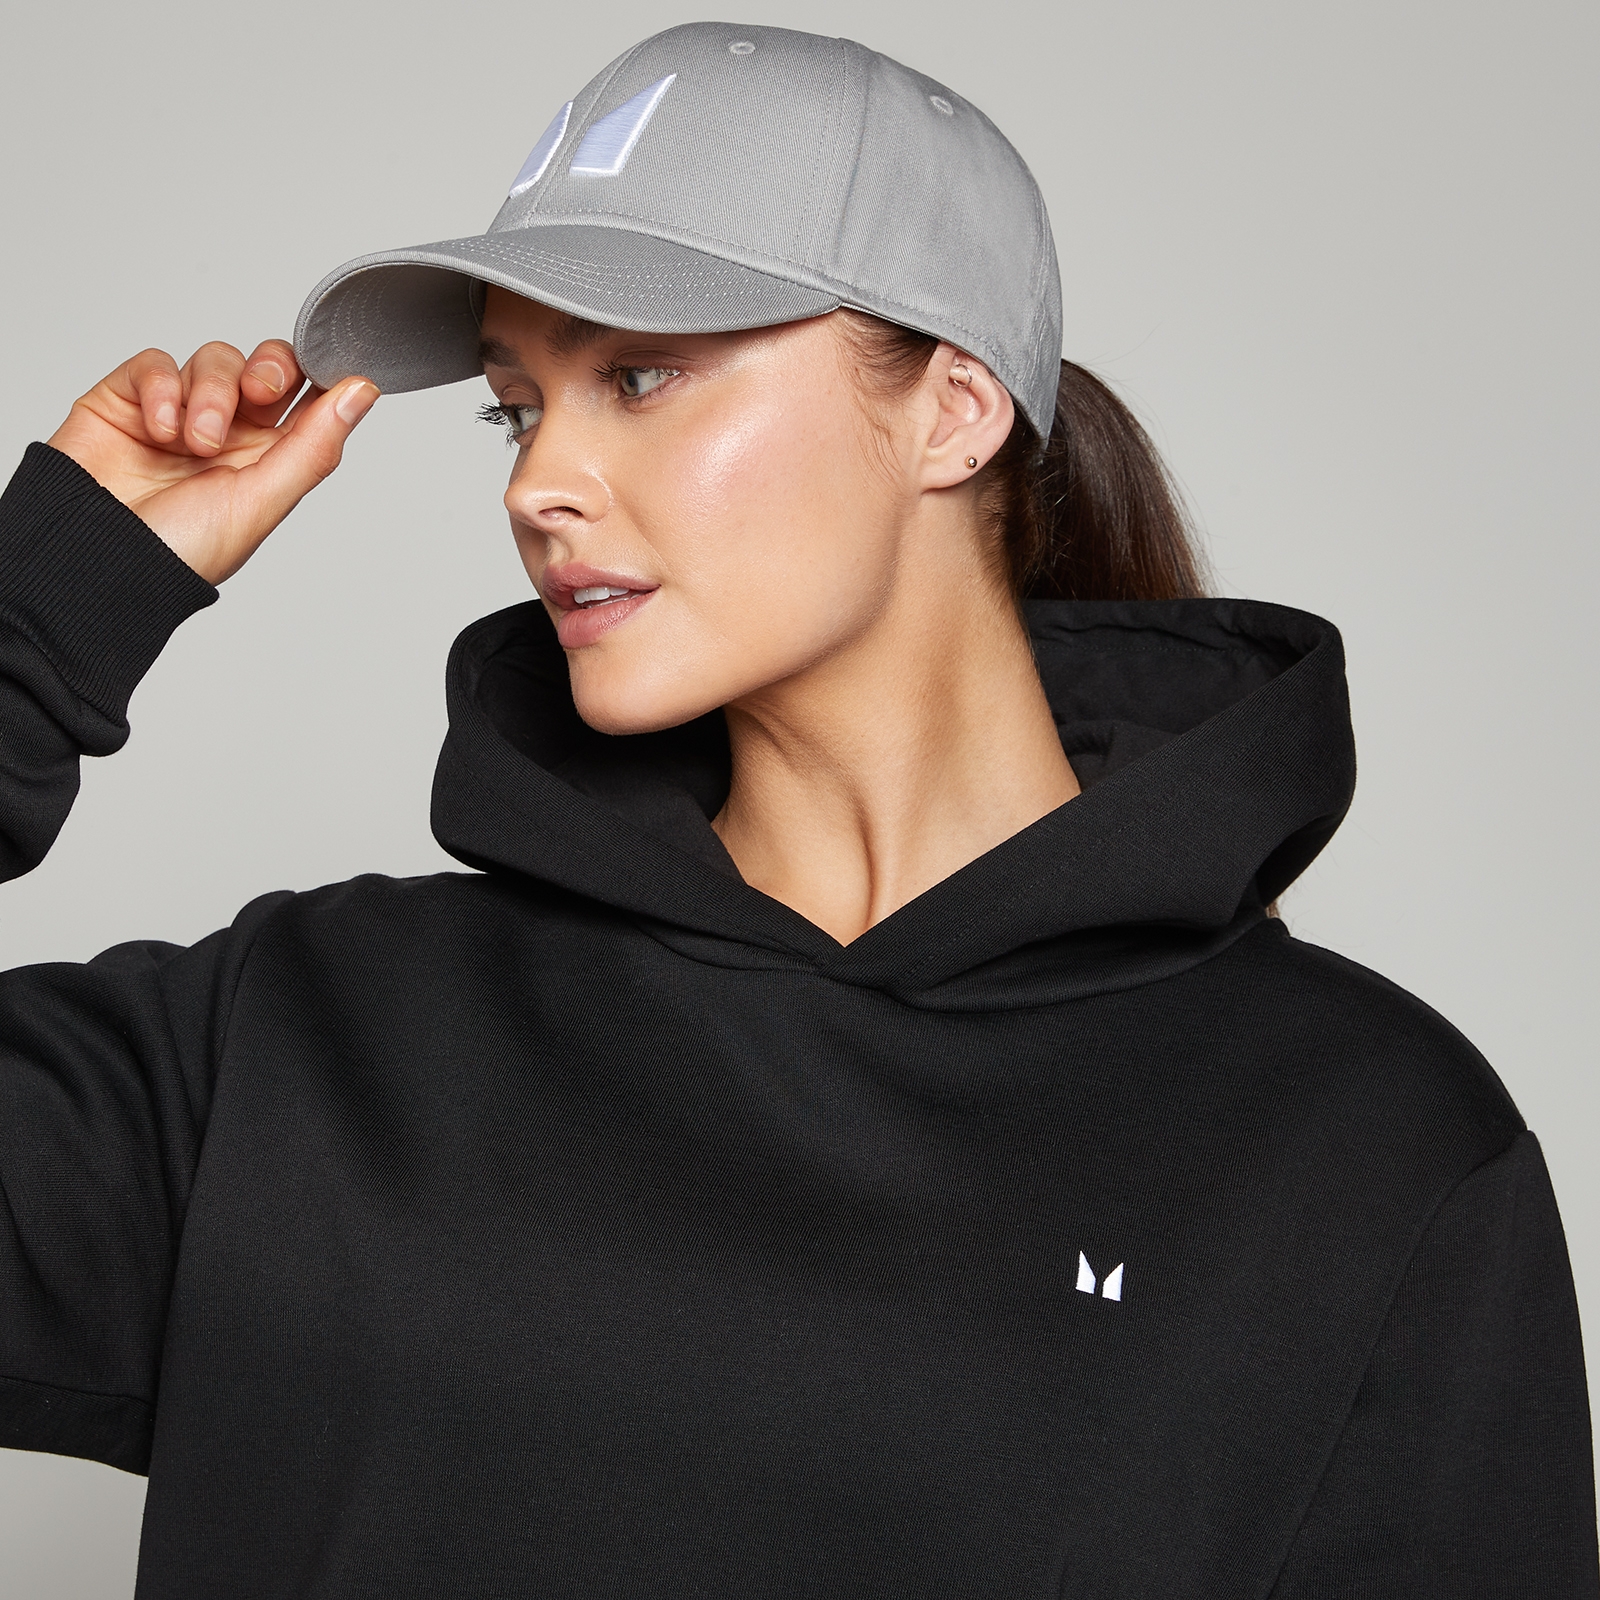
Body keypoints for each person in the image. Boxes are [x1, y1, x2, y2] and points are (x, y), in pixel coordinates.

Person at [0, 19, 1593, 1596]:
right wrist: (46, 612)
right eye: (518, 404)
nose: (538, 483)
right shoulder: (312, 1040)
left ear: (953, 410)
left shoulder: (1359, 1149)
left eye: (639, 376)